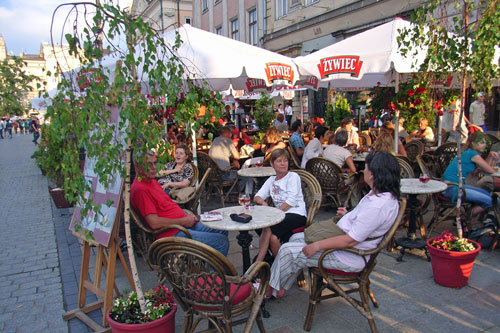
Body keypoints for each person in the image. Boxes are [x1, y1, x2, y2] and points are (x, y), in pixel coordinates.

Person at [267, 151, 400, 298]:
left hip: (349, 256)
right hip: (343, 243)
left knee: (287, 251)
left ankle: (268, 290)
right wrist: (348, 215)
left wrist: (316, 246)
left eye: (366, 168)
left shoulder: (378, 205)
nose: (364, 171)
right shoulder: (379, 195)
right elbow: (366, 223)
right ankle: (279, 287)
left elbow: (351, 240)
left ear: (373, 175)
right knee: (295, 238)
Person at [130, 150, 229, 256]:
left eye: (155, 163)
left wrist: (186, 215)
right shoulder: (141, 189)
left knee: (222, 228)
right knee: (221, 242)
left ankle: (207, 265)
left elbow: (165, 207)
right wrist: (184, 220)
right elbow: (154, 223)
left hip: (181, 225)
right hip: (172, 233)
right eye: (149, 165)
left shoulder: (152, 181)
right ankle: (212, 272)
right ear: (137, 167)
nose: (154, 167)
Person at [253, 149, 307, 262]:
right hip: (281, 215)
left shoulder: (293, 176)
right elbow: (257, 196)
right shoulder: (271, 180)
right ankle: (279, 263)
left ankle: (259, 262)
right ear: (272, 164)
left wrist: (275, 213)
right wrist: (263, 202)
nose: (283, 164)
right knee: (271, 237)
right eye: (279, 161)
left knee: (266, 226)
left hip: (296, 214)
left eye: (285, 161)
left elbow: (291, 201)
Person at [442, 131, 498, 225]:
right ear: (473, 143)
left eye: (485, 143)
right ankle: (463, 218)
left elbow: (478, 172)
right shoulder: (473, 154)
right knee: (489, 201)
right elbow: (490, 171)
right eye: (481, 142)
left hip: (451, 186)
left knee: (485, 193)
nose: (484, 145)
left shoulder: (469, 153)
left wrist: (490, 157)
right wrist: (491, 158)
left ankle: (469, 220)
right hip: (453, 188)